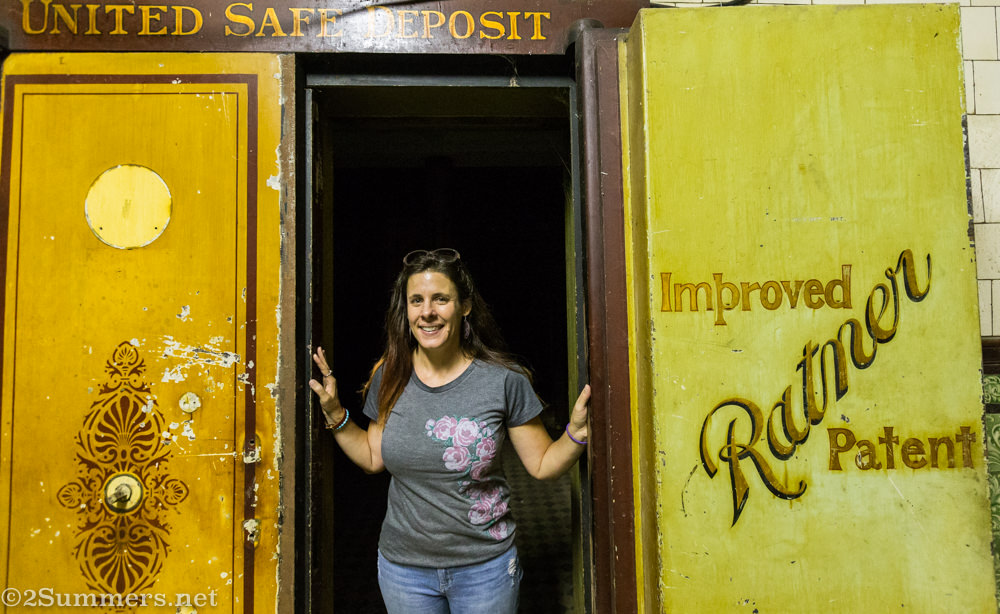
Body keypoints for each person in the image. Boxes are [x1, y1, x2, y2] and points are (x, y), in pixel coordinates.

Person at [308, 247, 591, 614]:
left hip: (484, 568)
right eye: (416, 300)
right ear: (406, 310)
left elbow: (541, 464)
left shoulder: (504, 381)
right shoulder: (389, 376)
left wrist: (578, 432)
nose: (427, 312)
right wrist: (336, 414)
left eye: (441, 299)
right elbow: (374, 458)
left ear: (465, 306)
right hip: (404, 570)